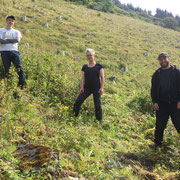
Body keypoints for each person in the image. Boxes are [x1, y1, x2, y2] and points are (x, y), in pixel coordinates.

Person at [151, 52, 180, 148]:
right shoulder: (156, 74)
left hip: (176, 104)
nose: (163, 61)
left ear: (168, 59)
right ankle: (157, 145)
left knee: (179, 125)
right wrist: (154, 101)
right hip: (161, 105)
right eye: (161, 59)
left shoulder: (177, 72)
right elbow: (153, 89)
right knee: (159, 126)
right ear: (159, 61)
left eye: (164, 58)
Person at [73, 49, 104, 123]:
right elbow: (82, 78)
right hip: (86, 88)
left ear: (94, 55)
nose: (89, 56)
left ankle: (99, 120)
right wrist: (81, 87)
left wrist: (102, 88)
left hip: (97, 88)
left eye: (91, 55)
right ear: (86, 56)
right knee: (78, 101)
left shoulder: (99, 66)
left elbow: (102, 77)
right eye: (88, 55)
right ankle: (74, 115)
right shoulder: (85, 67)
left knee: (97, 105)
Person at [0, 15, 25, 88]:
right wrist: (11, 41)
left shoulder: (16, 32)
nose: (11, 22)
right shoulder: (1, 30)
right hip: (4, 52)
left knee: (19, 68)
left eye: (12, 21)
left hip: (14, 51)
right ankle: (9, 86)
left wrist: (5, 40)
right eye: (9, 20)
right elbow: (0, 41)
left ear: (14, 23)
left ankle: (21, 86)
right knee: (7, 69)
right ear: (6, 21)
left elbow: (17, 40)